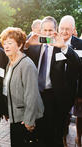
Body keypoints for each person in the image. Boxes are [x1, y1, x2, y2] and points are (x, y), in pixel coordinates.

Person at [25, 16, 80, 147]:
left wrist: (65, 48)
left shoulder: (61, 47)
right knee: (37, 136)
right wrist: (26, 45)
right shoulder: (34, 46)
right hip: (36, 97)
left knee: (54, 138)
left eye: (51, 30)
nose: (48, 33)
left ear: (56, 31)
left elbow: (77, 64)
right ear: (41, 31)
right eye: (45, 30)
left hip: (55, 100)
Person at [0, 27, 44, 147]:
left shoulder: (27, 65)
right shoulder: (10, 63)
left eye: (10, 43)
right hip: (16, 117)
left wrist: (29, 120)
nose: (6, 46)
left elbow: (31, 94)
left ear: (19, 45)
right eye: (4, 43)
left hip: (25, 119)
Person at [59, 15, 82, 147]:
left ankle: (78, 138)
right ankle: (63, 139)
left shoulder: (80, 44)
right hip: (58, 89)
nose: (64, 32)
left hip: (75, 89)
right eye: (62, 28)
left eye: (68, 29)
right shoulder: (53, 42)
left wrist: (80, 94)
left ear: (73, 29)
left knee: (77, 116)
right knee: (64, 119)